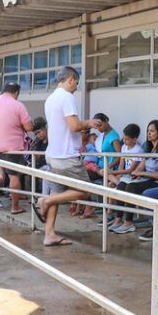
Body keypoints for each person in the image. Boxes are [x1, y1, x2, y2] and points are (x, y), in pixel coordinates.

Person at [33, 67, 103, 246]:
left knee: (57, 191)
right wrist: (88, 123)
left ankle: (49, 234)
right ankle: (45, 200)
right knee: (85, 190)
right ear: (71, 79)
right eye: (76, 83)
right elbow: (73, 126)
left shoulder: (50, 98)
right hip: (66, 156)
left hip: (52, 154)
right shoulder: (67, 97)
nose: (76, 87)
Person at [0, 82, 34, 214]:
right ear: (16, 92)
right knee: (14, 176)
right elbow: (29, 127)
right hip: (12, 147)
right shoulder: (18, 105)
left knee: (2, 173)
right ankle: (15, 206)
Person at [111, 121, 158, 235]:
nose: (149, 133)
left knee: (131, 187)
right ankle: (118, 219)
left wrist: (143, 174)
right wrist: (136, 174)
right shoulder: (148, 148)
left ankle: (128, 223)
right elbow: (140, 168)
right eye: (148, 131)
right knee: (122, 185)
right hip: (147, 179)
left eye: (152, 131)